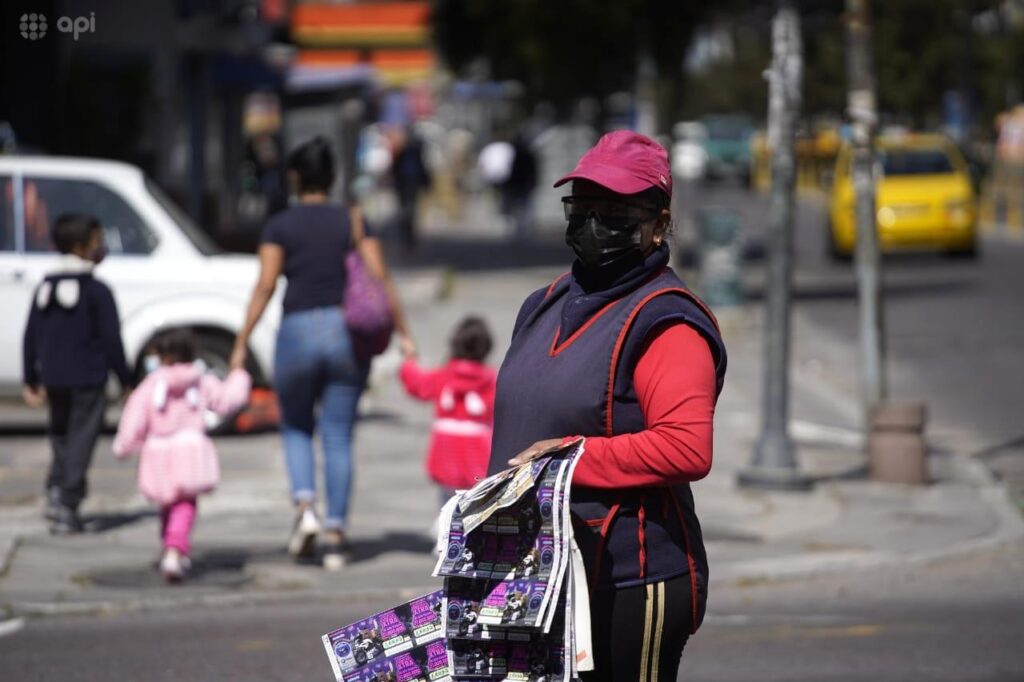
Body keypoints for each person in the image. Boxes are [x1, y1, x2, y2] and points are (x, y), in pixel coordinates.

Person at [486, 131, 728, 682]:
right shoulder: (543, 302)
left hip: (628, 579)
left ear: (658, 224)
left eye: (616, 213)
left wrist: (570, 459)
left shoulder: (665, 320)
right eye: (584, 208)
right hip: (538, 576)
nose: (595, 225)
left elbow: (687, 446)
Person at [230, 136, 416, 571]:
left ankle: (305, 510)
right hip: (344, 333)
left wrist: (241, 343)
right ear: (332, 177)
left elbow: (265, 285)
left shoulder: (280, 225)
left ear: (294, 177)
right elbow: (380, 276)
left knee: (296, 427)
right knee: (337, 435)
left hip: (295, 331)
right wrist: (404, 334)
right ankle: (335, 535)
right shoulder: (351, 220)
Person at [22, 213, 132, 534]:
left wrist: (32, 377)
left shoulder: (45, 287)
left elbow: (32, 336)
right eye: (98, 243)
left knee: (60, 437)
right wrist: (125, 379)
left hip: (54, 377)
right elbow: (112, 340)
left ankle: (55, 490)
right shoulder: (97, 291)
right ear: (82, 247)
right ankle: (68, 503)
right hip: (88, 378)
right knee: (81, 439)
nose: (102, 249)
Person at [112, 329, 251, 582]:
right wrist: (239, 375)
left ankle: (171, 547)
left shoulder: (150, 384)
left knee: (168, 505)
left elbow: (134, 417)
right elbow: (227, 400)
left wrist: (123, 446)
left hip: (158, 457)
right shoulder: (201, 380)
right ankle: (175, 550)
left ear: (163, 357)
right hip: (190, 456)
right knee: (185, 505)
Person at [399, 316, 497, 504]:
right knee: (477, 509)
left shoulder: (443, 376)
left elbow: (417, 382)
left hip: (446, 455)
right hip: (479, 456)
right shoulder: (492, 381)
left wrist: (409, 360)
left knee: (447, 506)